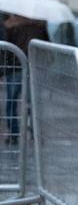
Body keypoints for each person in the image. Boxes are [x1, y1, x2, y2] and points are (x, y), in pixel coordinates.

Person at [0, 14, 49, 145]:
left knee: (11, 101)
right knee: (32, 102)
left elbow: (5, 47)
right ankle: (35, 133)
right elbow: (46, 45)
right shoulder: (39, 25)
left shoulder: (10, 25)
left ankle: (14, 134)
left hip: (15, 67)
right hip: (33, 66)